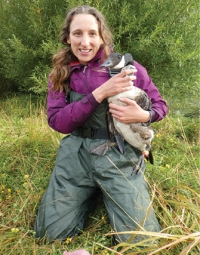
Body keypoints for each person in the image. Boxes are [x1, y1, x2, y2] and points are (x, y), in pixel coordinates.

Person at [34, 5, 168, 244]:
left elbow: (161, 106)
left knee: (141, 242)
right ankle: (88, 193)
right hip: (76, 156)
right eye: (77, 34)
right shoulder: (60, 75)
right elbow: (58, 122)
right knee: (49, 234)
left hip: (118, 154)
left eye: (92, 33)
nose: (85, 42)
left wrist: (143, 115)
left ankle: (109, 190)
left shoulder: (130, 68)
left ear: (101, 35)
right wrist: (98, 94)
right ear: (67, 37)